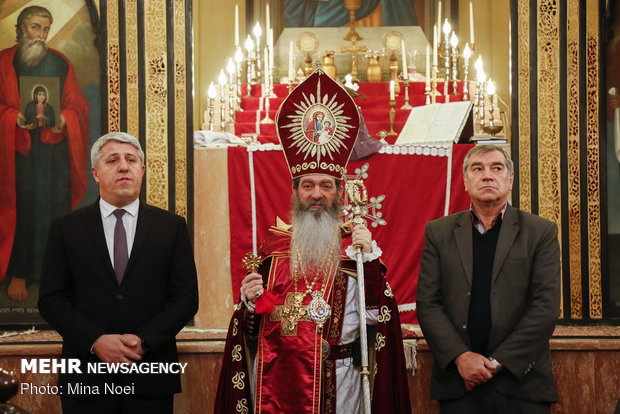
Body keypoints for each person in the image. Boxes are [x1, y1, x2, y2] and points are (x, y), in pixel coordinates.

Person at [215, 70, 411, 414]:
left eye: (326, 186)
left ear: (339, 193)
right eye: (308, 186)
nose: (316, 194)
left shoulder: (357, 249)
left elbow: (376, 321)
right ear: (295, 193)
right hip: (278, 383)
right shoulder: (274, 247)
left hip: (342, 380)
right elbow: (252, 328)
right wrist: (248, 303)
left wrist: (369, 266)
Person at [38, 132, 198, 414]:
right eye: (113, 160)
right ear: (95, 173)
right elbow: (51, 298)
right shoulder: (66, 228)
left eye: (131, 160)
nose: (124, 166)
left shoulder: (171, 227)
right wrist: (95, 341)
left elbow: (185, 298)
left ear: (142, 170)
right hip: (86, 377)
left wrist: (143, 342)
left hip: (150, 375)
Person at [417, 144, 560, 413]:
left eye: (496, 168)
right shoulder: (439, 232)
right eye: (477, 168)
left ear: (510, 179)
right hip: (460, 383)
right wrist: (461, 357)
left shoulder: (540, 232)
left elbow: (545, 307)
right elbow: (428, 304)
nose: (487, 175)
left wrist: (496, 363)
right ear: (465, 180)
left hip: (522, 384)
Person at [0, 5, 90, 302]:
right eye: (35, 27)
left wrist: (64, 116)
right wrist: (10, 116)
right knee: (22, 208)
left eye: (45, 29)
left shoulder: (60, 63)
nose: (41, 35)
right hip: (16, 155)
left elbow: (78, 106)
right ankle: (19, 272)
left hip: (54, 155)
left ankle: (56, 275)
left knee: (55, 211)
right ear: (21, 28)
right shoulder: (3, 63)